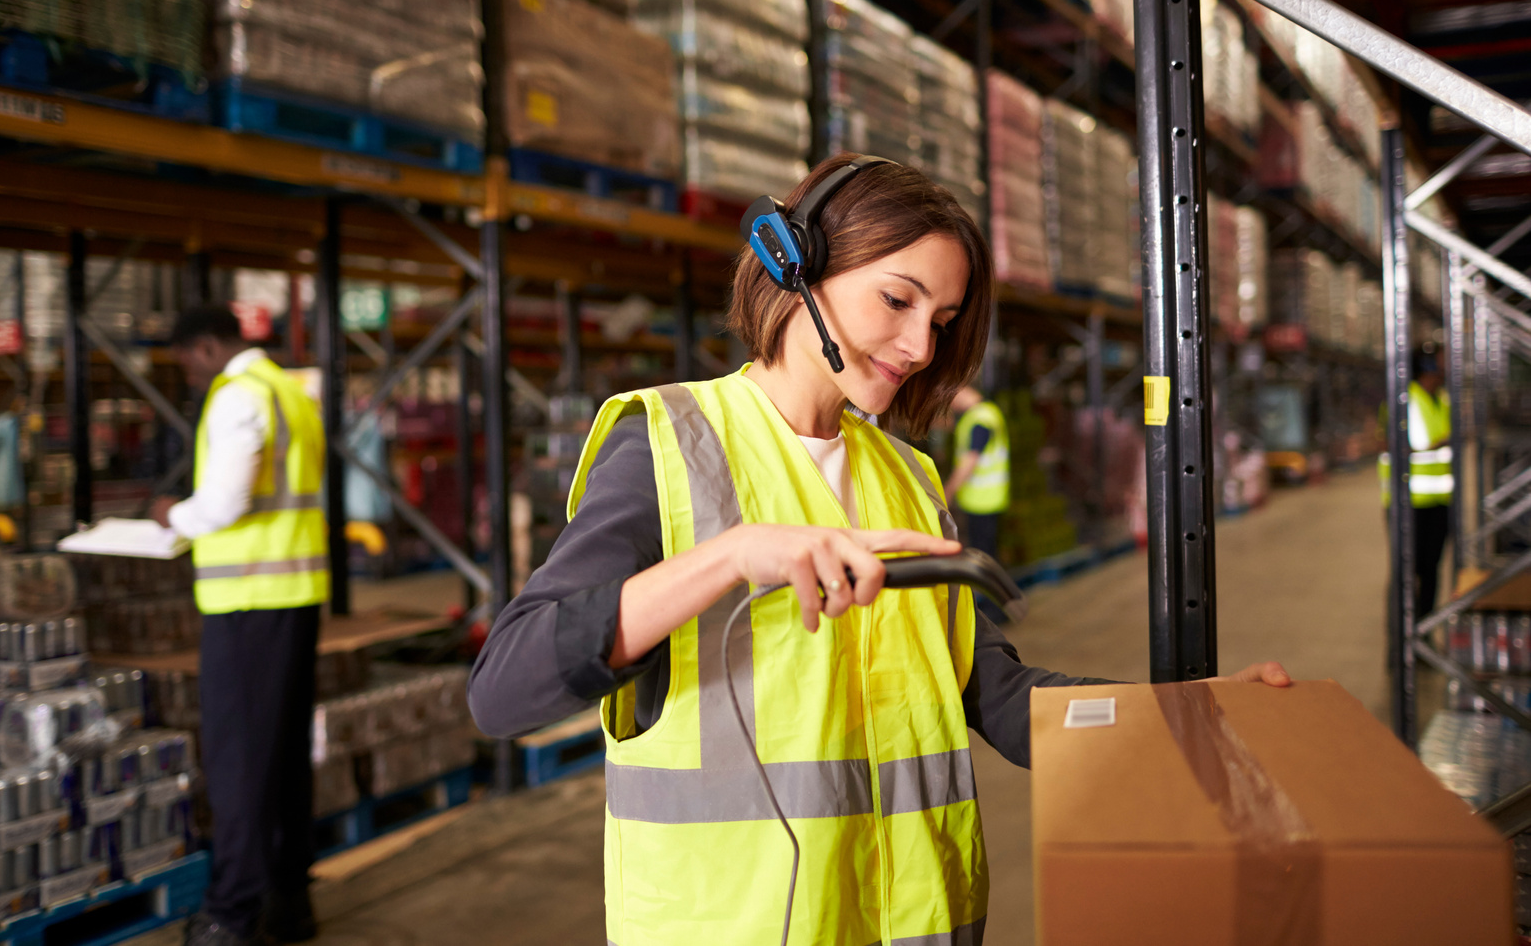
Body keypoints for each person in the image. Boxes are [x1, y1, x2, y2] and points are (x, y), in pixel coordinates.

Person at [466, 154, 1289, 946]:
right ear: (794, 266)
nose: (921, 346)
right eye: (897, 299)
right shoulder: (673, 448)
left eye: (942, 319)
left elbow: (993, 693)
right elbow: (504, 689)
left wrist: (1186, 719)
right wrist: (729, 555)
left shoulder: (910, 478)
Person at [150, 306, 327, 946]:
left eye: (185, 365)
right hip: (296, 595)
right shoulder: (292, 392)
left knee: (240, 763)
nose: (189, 379)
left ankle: (232, 912)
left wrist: (175, 515)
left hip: (249, 601)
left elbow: (227, 501)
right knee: (281, 756)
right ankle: (290, 901)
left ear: (204, 347)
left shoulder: (239, 397)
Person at [1379, 346, 1453, 618]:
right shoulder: (1403, 400)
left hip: (1440, 500)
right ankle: (1402, 645)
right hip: (1406, 501)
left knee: (1432, 570)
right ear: (1428, 366)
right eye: (1441, 361)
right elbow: (1397, 444)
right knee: (1406, 573)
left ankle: (1426, 634)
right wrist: (1441, 442)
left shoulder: (1444, 399)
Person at [945, 384, 1013, 623]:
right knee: (988, 554)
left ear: (961, 389)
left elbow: (970, 460)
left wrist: (948, 491)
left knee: (985, 557)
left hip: (984, 500)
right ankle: (999, 606)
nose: (951, 404)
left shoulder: (981, 419)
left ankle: (996, 611)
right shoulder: (986, 413)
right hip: (987, 498)